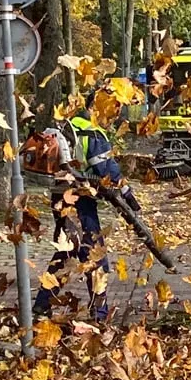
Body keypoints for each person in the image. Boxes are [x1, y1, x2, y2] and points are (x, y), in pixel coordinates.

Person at [33, 92, 141, 321]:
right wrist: (126, 193)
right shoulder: (92, 132)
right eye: (112, 109)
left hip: (61, 196)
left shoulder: (70, 125)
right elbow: (106, 170)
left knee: (68, 251)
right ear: (96, 105)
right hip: (79, 199)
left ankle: (43, 303)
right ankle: (99, 314)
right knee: (95, 254)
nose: (114, 116)